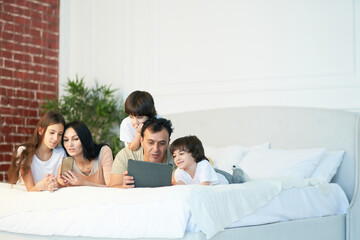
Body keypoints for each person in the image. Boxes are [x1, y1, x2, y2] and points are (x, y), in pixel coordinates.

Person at [8, 111, 66, 192]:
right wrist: (42, 185)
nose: (56, 138)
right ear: (40, 130)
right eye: (52, 132)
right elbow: (31, 189)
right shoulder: (24, 151)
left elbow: (62, 184)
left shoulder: (60, 153)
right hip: (26, 197)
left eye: (60, 134)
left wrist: (54, 184)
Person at [110, 117, 174, 188]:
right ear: (141, 140)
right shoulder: (125, 155)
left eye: (162, 143)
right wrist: (123, 186)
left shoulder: (178, 154)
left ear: (168, 142)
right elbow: (113, 187)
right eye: (150, 142)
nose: (156, 149)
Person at [58, 120, 113, 187]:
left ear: (84, 139)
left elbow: (112, 187)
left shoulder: (104, 152)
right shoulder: (67, 165)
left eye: (75, 139)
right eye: (66, 140)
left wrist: (84, 183)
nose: (69, 145)